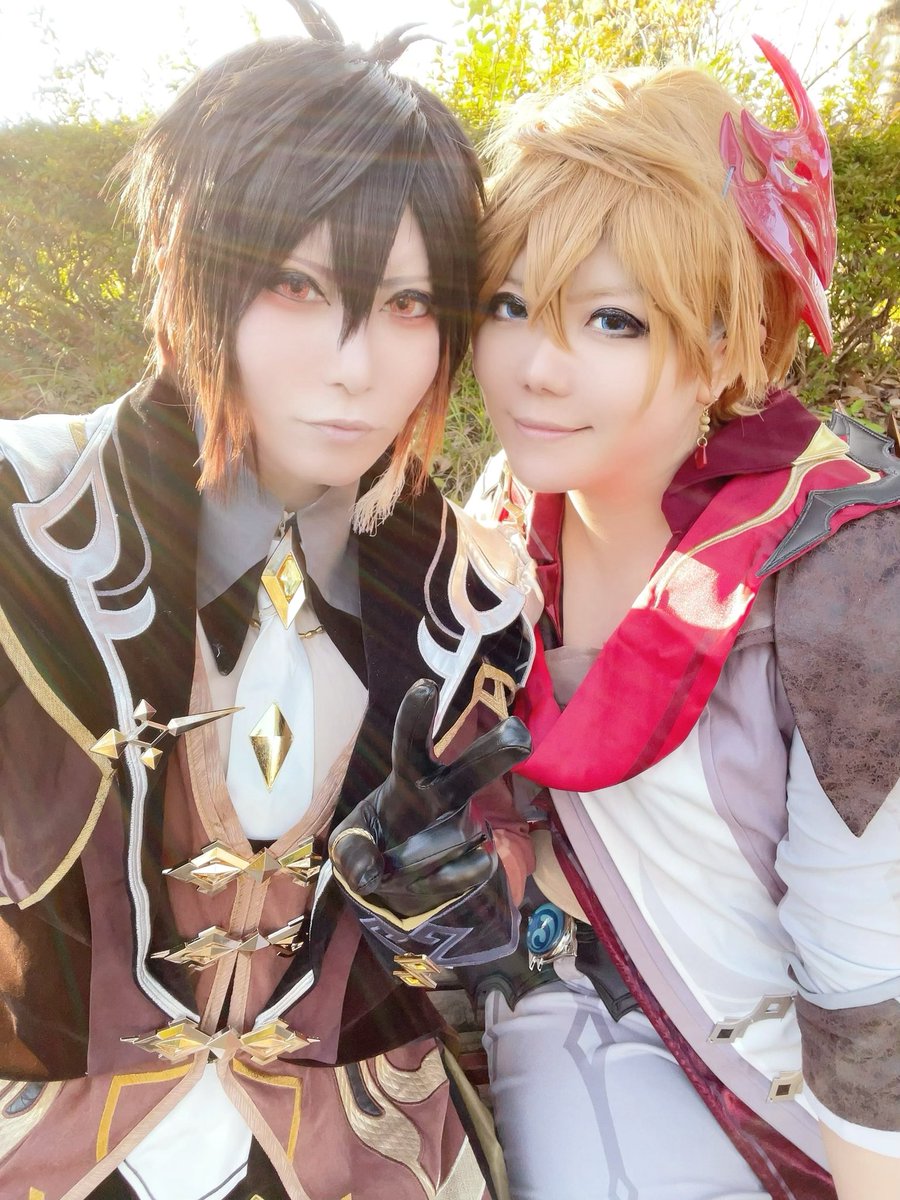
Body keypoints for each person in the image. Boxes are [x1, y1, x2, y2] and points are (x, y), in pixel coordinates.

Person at [0, 4, 539, 1198]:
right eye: (297, 285)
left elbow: (495, 946)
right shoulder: (22, 519)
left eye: (408, 305)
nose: (357, 365)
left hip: (358, 1153)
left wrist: (447, 914)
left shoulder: (481, 599)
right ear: (196, 271)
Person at [468, 37, 900, 1200]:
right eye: (509, 305)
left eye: (612, 320)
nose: (536, 367)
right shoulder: (501, 517)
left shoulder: (851, 575)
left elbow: (873, 983)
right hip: (578, 1021)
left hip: (818, 1110)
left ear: (724, 344)